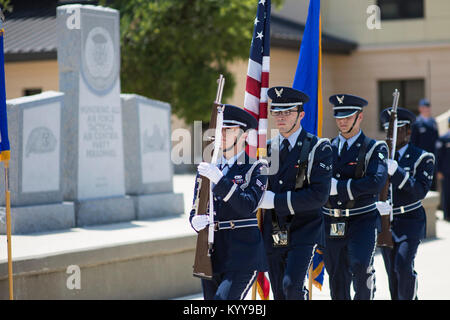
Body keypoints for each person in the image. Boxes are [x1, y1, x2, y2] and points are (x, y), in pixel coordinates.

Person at [258, 86, 333, 300]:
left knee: (291, 286)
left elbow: (319, 195)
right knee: (280, 293)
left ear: (301, 114)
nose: (280, 117)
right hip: (274, 230)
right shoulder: (266, 149)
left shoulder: (319, 148)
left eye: (287, 112)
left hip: (304, 230)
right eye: (276, 112)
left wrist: (276, 201)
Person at [189, 105, 269, 300]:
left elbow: (248, 205)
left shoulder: (258, 168)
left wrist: (221, 181)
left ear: (244, 136)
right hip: (211, 253)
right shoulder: (209, 169)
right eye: (220, 130)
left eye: (229, 130)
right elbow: (196, 206)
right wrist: (194, 221)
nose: (222, 134)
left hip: (243, 254)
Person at [321, 94, 388, 300]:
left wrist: (339, 187)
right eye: (339, 117)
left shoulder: (374, 148)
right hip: (332, 221)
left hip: (362, 220)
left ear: (359, 117)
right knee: (337, 277)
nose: (342, 121)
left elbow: (375, 182)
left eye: (347, 117)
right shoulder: (325, 148)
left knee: (361, 267)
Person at [378, 107, 435, 300]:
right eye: (388, 130)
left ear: (408, 131)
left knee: (402, 266)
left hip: (410, 221)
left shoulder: (422, 157)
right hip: (386, 222)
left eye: (397, 129)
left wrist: (398, 173)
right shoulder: (380, 158)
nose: (391, 135)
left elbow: (420, 191)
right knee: (392, 274)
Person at [410, 98, 439, 190]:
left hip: (432, 156)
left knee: (432, 180)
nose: (426, 109)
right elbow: (413, 142)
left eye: (428, 107)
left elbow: (437, 140)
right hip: (421, 157)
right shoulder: (416, 123)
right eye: (424, 107)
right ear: (420, 108)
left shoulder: (433, 122)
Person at [436, 117, 450, 221]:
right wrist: (439, 170)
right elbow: (438, 156)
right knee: (446, 193)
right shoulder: (444, 138)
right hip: (446, 171)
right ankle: (447, 215)